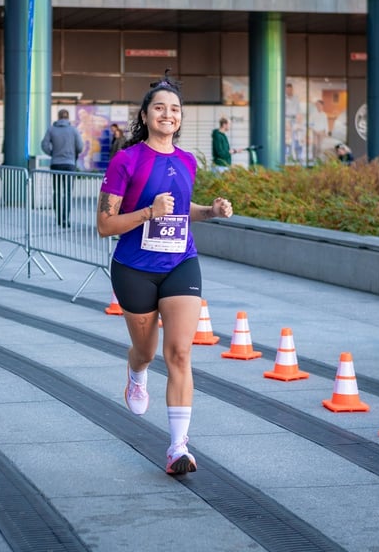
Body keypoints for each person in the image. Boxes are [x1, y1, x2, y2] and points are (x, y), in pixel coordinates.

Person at [96, 72, 233, 475]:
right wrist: (147, 212)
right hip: (134, 269)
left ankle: (178, 448)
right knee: (147, 351)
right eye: (159, 107)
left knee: (181, 353)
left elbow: (179, 209)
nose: (167, 114)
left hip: (180, 263)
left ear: (180, 117)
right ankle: (136, 372)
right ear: (145, 114)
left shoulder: (187, 160)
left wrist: (210, 211)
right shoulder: (127, 159)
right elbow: (105, 224)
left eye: (174, 109)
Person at [41, 109, 83, 227]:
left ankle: (58, 218)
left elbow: (44, 145)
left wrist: (52, 153)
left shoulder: (51, 129)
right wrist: (72, 154)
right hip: (69, 164)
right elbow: (80, 147)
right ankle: (66, 219)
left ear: (58, 117)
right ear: (68, 118)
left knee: (57, 192)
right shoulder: (73, 130)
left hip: (56, 164)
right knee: (68, 192)